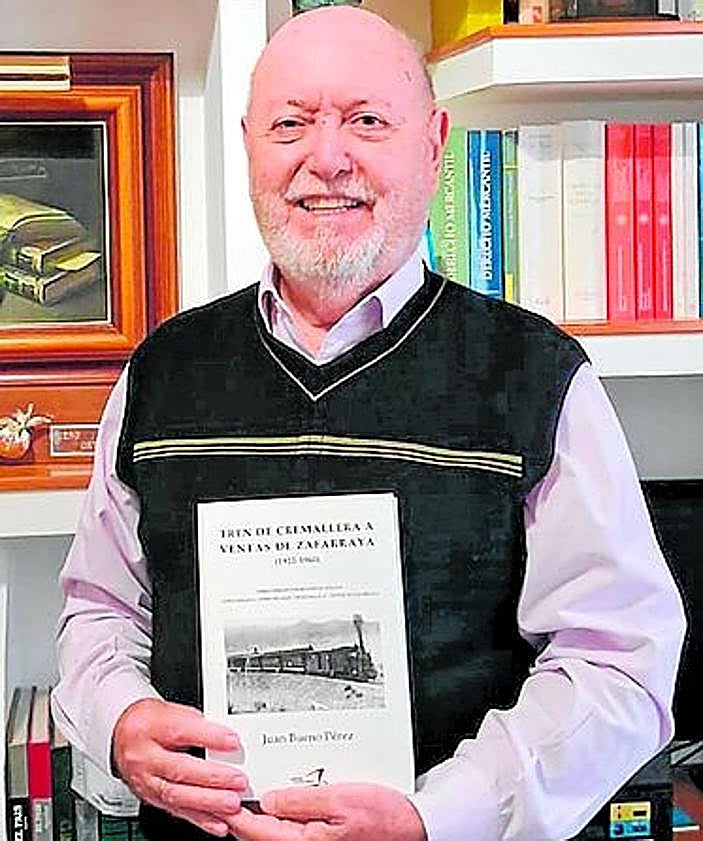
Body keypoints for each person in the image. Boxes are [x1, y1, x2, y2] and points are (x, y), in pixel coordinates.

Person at [52, 6, 686, 841]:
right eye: (290, 123)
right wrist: (120, 719)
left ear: (432, 144)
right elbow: (100, 610)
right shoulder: (162, 370)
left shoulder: (536, 375)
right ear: (248, 143)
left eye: (365, 121)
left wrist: (438, 816)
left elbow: (617, 666)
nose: (326, 158)